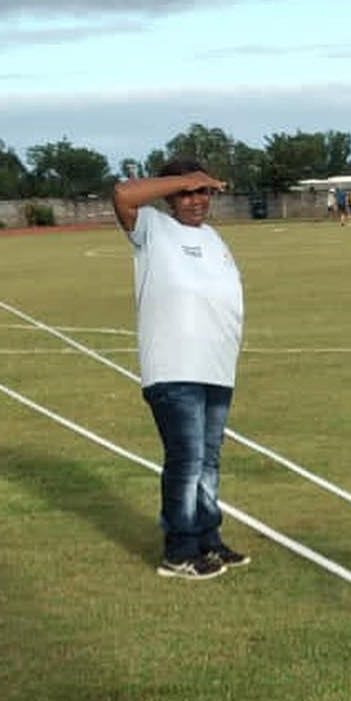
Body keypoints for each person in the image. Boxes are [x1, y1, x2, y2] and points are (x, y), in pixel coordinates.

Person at [111, 157, 251, 579]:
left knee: (208, 461)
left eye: (202, 191)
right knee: (187, 460)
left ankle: (208, 538)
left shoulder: (214, 238)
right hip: (174, 367)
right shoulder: (152, 228)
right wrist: (185, 178)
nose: (195, 200)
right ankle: (179, 552)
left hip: (215, 367)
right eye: (185, 193)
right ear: (170, 196)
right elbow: (123, 195)